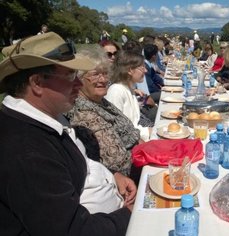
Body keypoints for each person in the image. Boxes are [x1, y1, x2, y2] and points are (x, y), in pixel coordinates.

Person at [0, 32, 131, 235]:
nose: (78, 84)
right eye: (70, 75)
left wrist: (112, 176)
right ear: (37, 83)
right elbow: (72, 230)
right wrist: (130, 214)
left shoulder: (49, 116)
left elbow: (75, 164)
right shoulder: (24, 151)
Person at [67, 46, 141, 177]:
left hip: (140, 157)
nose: (103, 80)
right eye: (95, 74)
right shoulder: (84, 113)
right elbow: (118, 163)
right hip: (129, 175)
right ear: (79, 79)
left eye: (105, 73)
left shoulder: (100, 100)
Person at [105, 50, 152, 142]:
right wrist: (147, 132)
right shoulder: (116, 91)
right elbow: (117, 128)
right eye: (142, 67)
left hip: (138, 135)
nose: (145, 70)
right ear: (130, 70)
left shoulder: (129, 88)